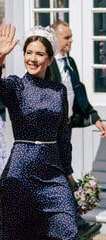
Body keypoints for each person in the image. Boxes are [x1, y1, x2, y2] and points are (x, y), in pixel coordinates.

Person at [0, 24, 79, 239]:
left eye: (39, 54)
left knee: (68, 228)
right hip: (21, 169)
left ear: (49, 59)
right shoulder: (15, 85)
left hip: (53, 171)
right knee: (18, 232)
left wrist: (68, 173)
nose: (32, 58)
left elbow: (63, 137)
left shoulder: (59, 91)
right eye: (28, 53)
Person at [50, 20, 106, 239]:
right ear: (55, 39)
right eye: (67, 37)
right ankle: (73, 222)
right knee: (62, 175)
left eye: (71, 36)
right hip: (51, 131)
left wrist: (94, 117)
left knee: (65, 172)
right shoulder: (48, 63)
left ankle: (72, 222)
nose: (71, 41)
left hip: (66, 128)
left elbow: (78, 90)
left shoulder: (69, 61)